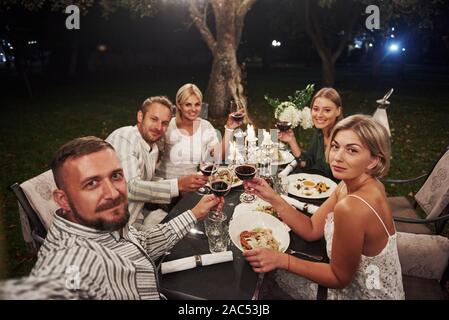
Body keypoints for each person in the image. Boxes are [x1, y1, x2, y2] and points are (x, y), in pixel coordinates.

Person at [0, 136, 221, 299]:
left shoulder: (102, 223)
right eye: (92, 183)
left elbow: (143, 243)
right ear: (63, 199)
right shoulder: (71, 264)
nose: (114, 193)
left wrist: (194, 213)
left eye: (116, 176)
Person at [243, 115, 405, 300]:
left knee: (265, 276)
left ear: (373, 160)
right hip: (382, 286)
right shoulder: (354, 185)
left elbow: (339, 278)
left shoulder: (352, 207)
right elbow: (311, 229)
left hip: (363, 294)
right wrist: (273, 198)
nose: (337, 157)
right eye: (335, 146)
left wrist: (281, 259)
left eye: (352, 150)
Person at [106, 96, 209, 230]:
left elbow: (146, 179)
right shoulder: (125, 138)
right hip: (112, 228)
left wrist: (183, 184)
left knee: (193, 225)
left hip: (135, 219)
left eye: (165, 123)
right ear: (140, 116)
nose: (159, 127)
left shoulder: (152, 148)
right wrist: (178, 185)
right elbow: (130, 187)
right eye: (154, 119)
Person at [155, 83, 244, 179]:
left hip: (191, 184)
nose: (193, 109)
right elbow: (153, 157)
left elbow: (218, 155)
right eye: (188, 104)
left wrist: (229, 128)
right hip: (166, 183)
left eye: (197, 104)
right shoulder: (167, 126)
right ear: (179, 105)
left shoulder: (205, 126)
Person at [279, 87, 343, 179]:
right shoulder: (319, 133)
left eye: (327, 110)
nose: (319, 115)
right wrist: (292, 140)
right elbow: (306, 164)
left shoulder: (343, 138)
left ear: (338, 111)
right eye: (316, 109)